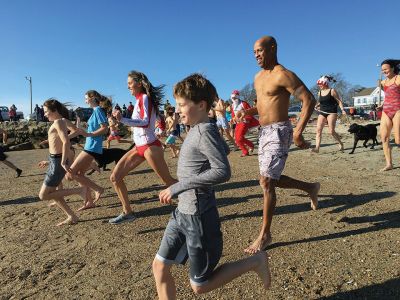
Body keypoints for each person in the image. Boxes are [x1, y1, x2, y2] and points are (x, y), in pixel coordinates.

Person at [153, 73, 271, 299]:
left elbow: (222, 171)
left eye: (181, 105)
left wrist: (178, 187)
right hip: (181, 213)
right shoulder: (198, 127)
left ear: (201, 104)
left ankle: (256, 261)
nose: (177, 110)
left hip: (198, 216)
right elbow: (222, 151)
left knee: (200, 285)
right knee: (159, 266)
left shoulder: (204, 130)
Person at [235, 36, 320, 253]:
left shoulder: (283, 74)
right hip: (264, 132)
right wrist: (247, 111)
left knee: (266, 181)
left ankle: (265, 235)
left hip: (280, 130)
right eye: (254, 52)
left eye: (260, 50)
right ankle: (311, 188)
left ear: (272, 48)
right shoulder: (257, 78)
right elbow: (264, 105)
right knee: (269, 179)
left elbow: (309, 100)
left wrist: (299, 132)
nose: (256, 55)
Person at [109, 70, 176, 224]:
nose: (128, 87)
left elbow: (145, 122)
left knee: (169, 181)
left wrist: (124, 120)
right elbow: (140, 124)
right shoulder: (140, 100)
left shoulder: (144, 98)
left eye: (129, 83)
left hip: (150, 145)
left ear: (139, 83)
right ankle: (128, 212)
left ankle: (200, 196)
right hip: (139, 146)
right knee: (115, 177)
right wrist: (120, 121)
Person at [38, 98, 88, 226]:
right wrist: (49, 159)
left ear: (54, 110)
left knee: (43, 195)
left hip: (58, 161)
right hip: (55, 159)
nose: (44, 114)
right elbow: (77, 131)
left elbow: (66, 142)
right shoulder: (62, 121)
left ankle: (79, 191)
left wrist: (63, 162)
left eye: (46, 111)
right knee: (54, 193)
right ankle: (72, 216)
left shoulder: (59, 122)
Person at [67, 90, 110, 210]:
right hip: (90, 146)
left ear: (93, 98)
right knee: (79, 174)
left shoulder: (98, 110)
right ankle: (89, 202)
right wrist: (82, 129)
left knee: (71, 173)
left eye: (86, 98)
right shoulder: (95, 111)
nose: (85, 100)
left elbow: (105, 128)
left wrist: (89, 134)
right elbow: (94, 128)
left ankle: (98, 189)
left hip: (92, 146)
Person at [311, 75, 346, 153]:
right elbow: (320, 102)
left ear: (325, 83)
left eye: (320, 84)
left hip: (331, 112)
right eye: (319, 84)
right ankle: (317, 148)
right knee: (318, 130)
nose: (319, 85)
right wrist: (316, 105)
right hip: (322, 112)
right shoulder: (319, 92)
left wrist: (342, 110)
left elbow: (339, 101)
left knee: (331, 131)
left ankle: (340, 143)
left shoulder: (332, 91)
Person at [378, 59, 400, 171]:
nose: (384, 71)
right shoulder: (383, 82)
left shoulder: (399, 78)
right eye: (382, 70)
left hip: (398, 109)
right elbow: (387, 96)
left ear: (392, 68)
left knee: (398, 140)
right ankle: (389, 164)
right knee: (384, 137)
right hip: (386, 111)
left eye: (385, 69)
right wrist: (381, 105)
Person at [231, 90, 259, 157]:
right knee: (237, 138)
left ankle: (247, 149)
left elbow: (250, 112)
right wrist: (232, 119)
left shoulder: (244, 103)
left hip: (245, 122)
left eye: (235, 98)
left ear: (238, 97)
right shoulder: (233, 105)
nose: (234, 99)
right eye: (233, 98)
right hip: (238, 123)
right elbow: (233, 114)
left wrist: (245, 119)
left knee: (239, 138)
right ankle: (247, 148)